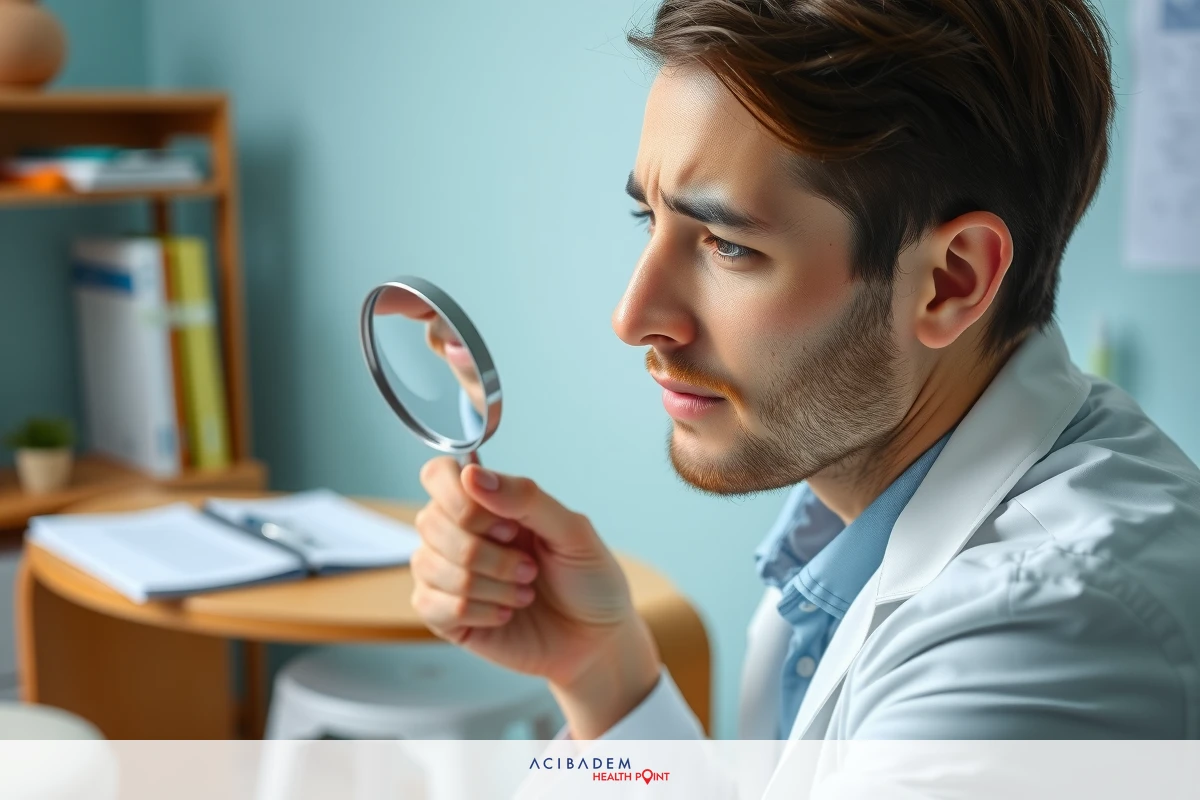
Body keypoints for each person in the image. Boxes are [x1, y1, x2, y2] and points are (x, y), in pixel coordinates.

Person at [407, 0, 1200, 750]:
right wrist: (603, 676)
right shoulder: (850, 513)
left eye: (727, 245)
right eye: (650, 219)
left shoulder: (1044, 638)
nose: (634, 316)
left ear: (951, 281)